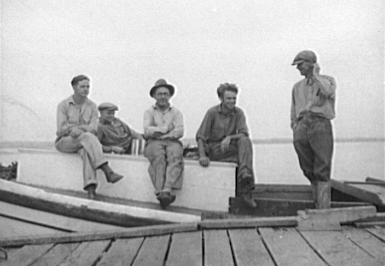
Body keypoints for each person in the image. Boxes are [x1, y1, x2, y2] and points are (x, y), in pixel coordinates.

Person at [55, 75, 124, 199]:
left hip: (84, 141)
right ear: (74, 88)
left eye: (88, 86)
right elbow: (61, 129)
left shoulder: (92, 106)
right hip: (65, 141)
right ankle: (107, 170)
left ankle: (91, 190)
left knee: (86, 150)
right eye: (82, 86)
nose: (86, 89)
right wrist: (72, 129)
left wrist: (79, 129)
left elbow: (93, 128)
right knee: (87, 137)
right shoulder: (64, 105)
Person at [196, 83, 257, 208]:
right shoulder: (212, 113)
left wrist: (229, 137)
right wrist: (202, 156)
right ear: (221, 99)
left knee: (245, 142)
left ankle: (244, 181)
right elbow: (201, 137)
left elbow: (244, 133)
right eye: (229, 98)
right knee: (244, 156)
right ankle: (246, 187)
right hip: (215, 149)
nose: (232, 101)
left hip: (230, 148)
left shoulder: (239, 113)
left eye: (234, 98)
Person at [290, 50, 336, 209]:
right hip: (302, 124)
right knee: (306, 165)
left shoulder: (327, 80)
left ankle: (323, 208)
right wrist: (295, 126)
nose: (298, 68)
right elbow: (294, 108)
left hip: (320, 124)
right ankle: (317, 198)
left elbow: (328, 92)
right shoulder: (297, 87)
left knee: (322, 165)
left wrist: (316, 75)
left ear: (311, 64)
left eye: (300, 65)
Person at [143, 79, 184, 209]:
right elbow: (147, 130)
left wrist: (162, 133)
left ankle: (166, 190)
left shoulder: (176, 112)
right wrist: (166, 129)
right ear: (154, 96)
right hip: (154, 142)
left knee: (175, 157)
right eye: (159, 94)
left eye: (165, 94)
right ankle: (159, 191)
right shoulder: (149, 112)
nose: (162, 97)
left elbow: (180, 131)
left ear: (170, 96)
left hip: (172, 141)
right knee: (158, 158)